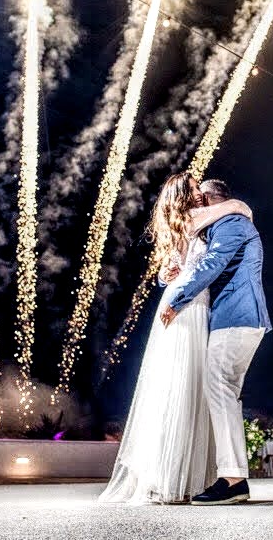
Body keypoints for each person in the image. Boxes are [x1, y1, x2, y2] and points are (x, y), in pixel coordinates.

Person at [99, 173, 254, 505]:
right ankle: (169, 476)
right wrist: (166, 280)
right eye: (195, 187)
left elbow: (187, 262)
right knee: (176, 386)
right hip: (186, 306)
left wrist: (169, 279)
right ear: (186, 194)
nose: (200, 193)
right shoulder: (196, 221)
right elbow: (178, 267)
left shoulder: (199, 220)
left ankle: (194, 477)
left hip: (192, 306)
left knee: (196, 390)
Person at [159, 177, 271, 506]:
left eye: (199, 203)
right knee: (221, 392)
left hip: (237, 318)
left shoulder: (232, 221)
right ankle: (230, 476)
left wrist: (175, 300)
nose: (196, 209)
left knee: (220, 389)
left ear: (211, 203)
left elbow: (212, 264)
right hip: (229, 319)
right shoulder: (220, 224)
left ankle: (234, 480)